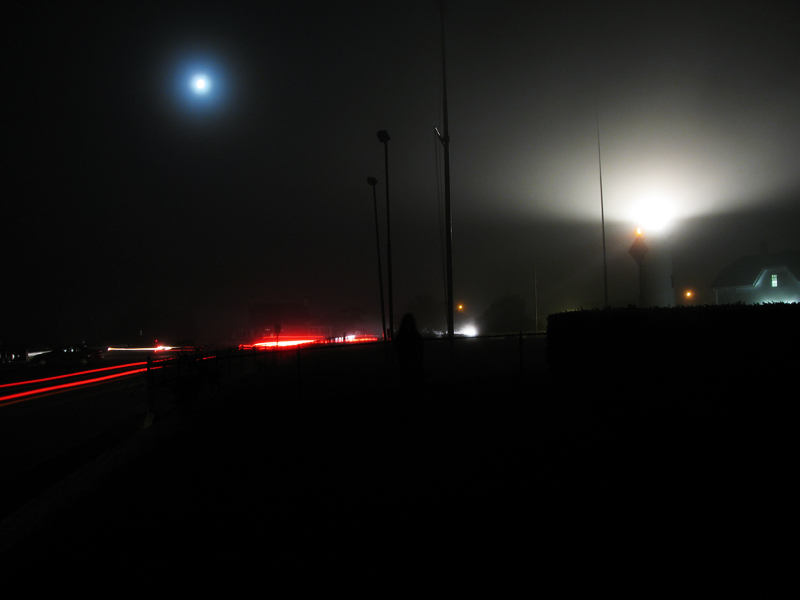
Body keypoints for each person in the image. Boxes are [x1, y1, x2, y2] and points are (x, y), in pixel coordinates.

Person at [394, 313, 424, 387]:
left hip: (405, 367)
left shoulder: (400, 337)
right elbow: (421, 352)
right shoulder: (416, 336)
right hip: (415, 367)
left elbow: (398, 352)